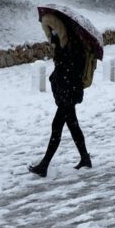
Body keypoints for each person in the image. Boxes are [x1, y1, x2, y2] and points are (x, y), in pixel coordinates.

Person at [29, 13, 92, 177]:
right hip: (66, 91)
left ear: (59, 29)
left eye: (53, 29)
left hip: (69, 92)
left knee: (56, 126)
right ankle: (85, 158)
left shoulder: (74, 45)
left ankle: (44, 165)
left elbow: (72, 69)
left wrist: (60, 69)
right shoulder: (63, 44)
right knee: (72, 125)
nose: (52, 33)